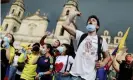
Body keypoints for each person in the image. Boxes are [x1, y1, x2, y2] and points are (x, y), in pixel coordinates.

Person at [62, 10, 110, 80]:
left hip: (89, 77)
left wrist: (103, 63)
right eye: (89, 20)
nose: (90, 21)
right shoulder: (80, 35)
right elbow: (64, 25)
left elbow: (107, 57)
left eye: (93, 20)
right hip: (74, 76)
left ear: (97, 26)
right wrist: (72, 14)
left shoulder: (101, 40)